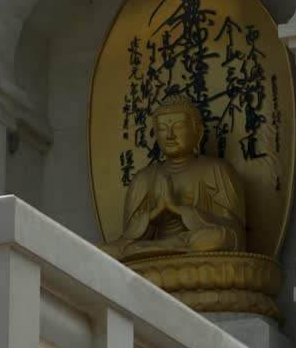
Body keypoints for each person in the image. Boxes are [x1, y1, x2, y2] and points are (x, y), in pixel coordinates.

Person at [101, 94, 246, 261]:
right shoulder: (144, 177)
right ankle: (159, 248)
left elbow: (236, 232)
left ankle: (162, 248)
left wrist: (178, 209)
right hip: (155, 251)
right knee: (104, 251)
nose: (169, 135)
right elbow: (128, 235)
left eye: (178, 127)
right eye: (162, 128)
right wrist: (156, 212)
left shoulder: (216, 169)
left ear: (198, 132)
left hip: (195, 245)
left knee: (217, 238)